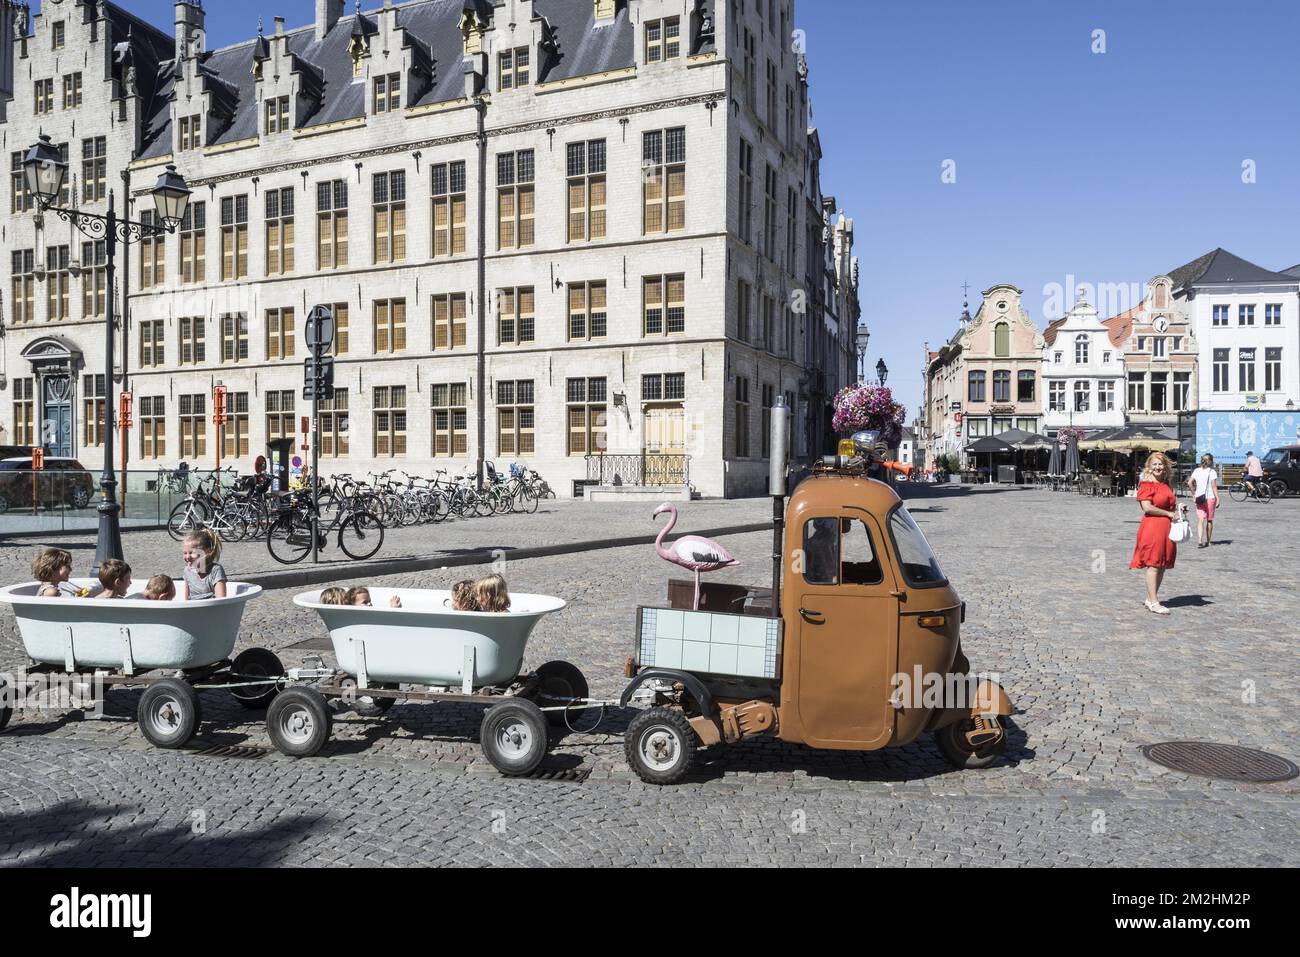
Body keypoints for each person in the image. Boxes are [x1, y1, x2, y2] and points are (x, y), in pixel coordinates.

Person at [1130, 452, 1187, 615]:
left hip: (1166, 528)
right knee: (1154, 564)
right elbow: (1147, 508)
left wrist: (1179, 509)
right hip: (1153, 527)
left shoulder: (1166, 484)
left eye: (1160, 464)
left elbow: (1169, 505)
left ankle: (1150, 598)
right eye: (1154, 464)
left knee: (1162, 564)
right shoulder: (1146, 484)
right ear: (1149, 466)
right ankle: (1154, 602)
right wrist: (1169, 514)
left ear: (1165, 467)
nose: (1157, 467)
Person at [179, 528, 227, 600]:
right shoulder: (187, 571)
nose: (187, 557)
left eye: (192, 553)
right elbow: (186, 599)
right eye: (185, 553)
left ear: (207, 552)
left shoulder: (215, 570)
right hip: (192, 608)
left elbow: (221, 600)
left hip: (211, 608)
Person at [1187, 453, 1219, 548]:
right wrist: (1218, 498)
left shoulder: (1196, 470)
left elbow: (1189, 483)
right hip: (1210, 498)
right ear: (1210, 461)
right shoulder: (1211, 471)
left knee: (1200, 520)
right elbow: (1214, 486)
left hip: (1199, 498)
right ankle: (1208, 541)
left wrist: (1194, 494)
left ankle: (1200, 540)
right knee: (1209, 520)